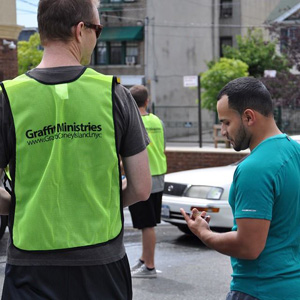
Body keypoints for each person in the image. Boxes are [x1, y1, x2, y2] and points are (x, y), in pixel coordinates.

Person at [0, 0, 152, 299]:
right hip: (101, 263)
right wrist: (101, 201)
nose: (97, 38)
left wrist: (21, 204)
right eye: (98, 29)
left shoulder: (8, 97)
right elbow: (141, 188)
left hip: (31, 264)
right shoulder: (114, 94)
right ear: (80, 30)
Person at [181, 77, 300, 300]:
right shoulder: (295, 151)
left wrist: (204, 233)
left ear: (248, 116)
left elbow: (249, 247)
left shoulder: (254, 168)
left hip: (258, 289)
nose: (223, 131)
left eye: (226, 122)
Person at [128, 85, 167, 278]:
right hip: (159, 174)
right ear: (147, 101)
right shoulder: (157, 121)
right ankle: (144, 259)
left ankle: (149, 266)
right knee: (148, 223)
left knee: (147, 224)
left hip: (142, 175)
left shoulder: (132, 122)